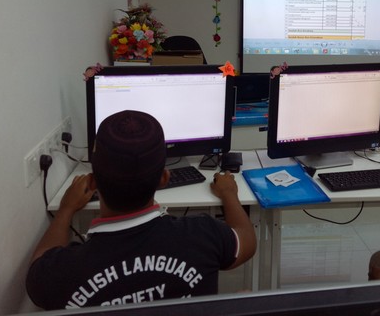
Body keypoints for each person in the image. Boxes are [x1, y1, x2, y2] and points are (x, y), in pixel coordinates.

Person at [26, 110, 256, 310]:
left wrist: (66, 209)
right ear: (164, 178)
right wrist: (229, 194)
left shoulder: (59, 273)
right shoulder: (203, 234)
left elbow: (39, 264)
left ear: (93, 181)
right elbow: (247, 240)